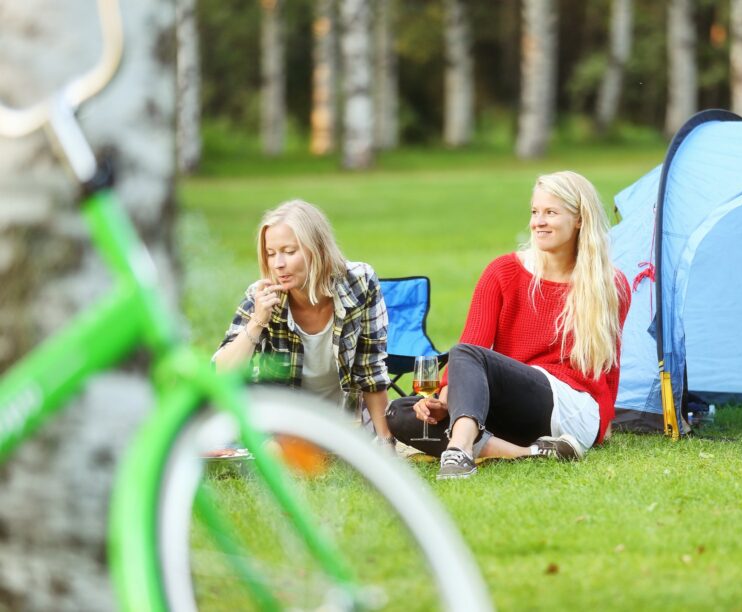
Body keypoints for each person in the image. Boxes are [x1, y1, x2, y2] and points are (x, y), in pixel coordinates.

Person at [386, 171, 630, 479]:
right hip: (514, 405)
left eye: (550, 213)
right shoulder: (503, 272)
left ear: (579, 219)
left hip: (571, 406)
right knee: (402, 413)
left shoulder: (608, 284)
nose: (538, 221)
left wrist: (602, 425)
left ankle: (459, 450)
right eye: (535, 211)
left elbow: (609, 370)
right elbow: (472, 344)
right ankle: (531, 453)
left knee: (466, 354)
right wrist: (445, 399)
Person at [214, 199, 394, 443]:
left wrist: (385, 440)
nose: (278, 264)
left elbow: (371, 369)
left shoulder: (359, 283)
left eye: (289, 252)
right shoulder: (261, 297)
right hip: (279, 423)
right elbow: (221, 372)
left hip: (343, 422)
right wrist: (257, 321)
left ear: (317, 249)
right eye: (270, 254)